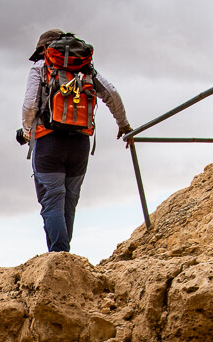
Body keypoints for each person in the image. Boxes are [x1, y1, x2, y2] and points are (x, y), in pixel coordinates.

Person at [19, 28, 132, 253]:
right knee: (69, 201)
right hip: (80, 143)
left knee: (52, 201)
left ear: (44, 48)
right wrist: (124, 125)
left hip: (48, 141)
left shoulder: (41, 67)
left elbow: (30, 105)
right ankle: (64, 257)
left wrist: (25, 131)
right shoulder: (85, 69)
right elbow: (112, 93)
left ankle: (59, 257)